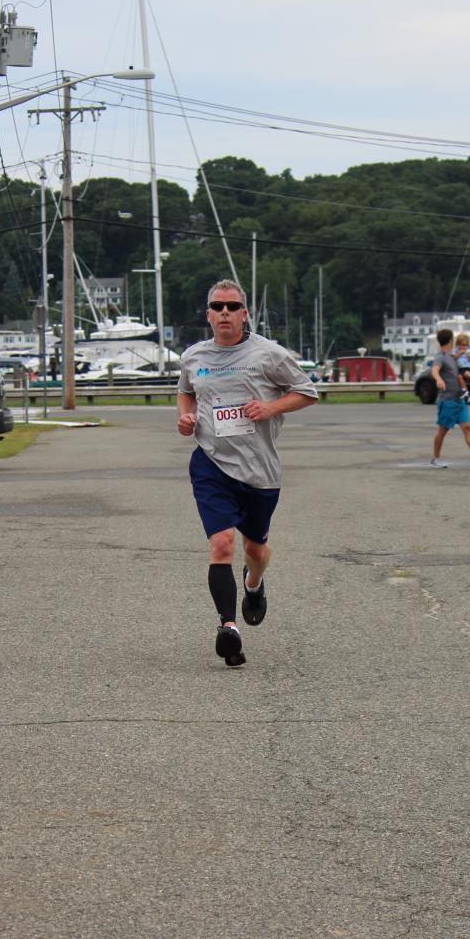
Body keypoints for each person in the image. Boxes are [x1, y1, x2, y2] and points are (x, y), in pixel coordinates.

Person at [177, 281, 318, 666]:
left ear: (244, 313)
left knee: (255, 550)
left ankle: (253, 584)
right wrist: (186, 417)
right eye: (217, 306)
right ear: (208, 314)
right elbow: (186, 391)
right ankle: (228, 628)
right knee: (222, 544)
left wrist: (271, 408)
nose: (224, 312)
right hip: (211, 463)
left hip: (259, 470)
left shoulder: (268, 354)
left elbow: (307, 392)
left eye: (232, 306)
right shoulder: (193, 356)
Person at [429, 327, 470, 469]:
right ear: (450, 340)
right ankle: (435, 459)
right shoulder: (440, 356)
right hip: (448, 400)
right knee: (442, 430)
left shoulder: (452, 357)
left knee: (467, 427)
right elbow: (434, 369)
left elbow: (457, 373)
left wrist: (465, 379)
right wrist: (438, 379)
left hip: (459, 399)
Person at [454, 332, 470, 400]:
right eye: (461, 345)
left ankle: (464, 390)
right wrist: (459, 353)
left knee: (468, 375)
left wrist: (469, 356)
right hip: (460, 368)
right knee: (459, 376)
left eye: (465, 345)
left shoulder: (468, 351)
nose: (463, 347)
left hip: (467, 368)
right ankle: (465, 390)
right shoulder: (456, 351)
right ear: (458, 344)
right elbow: (454, 358)